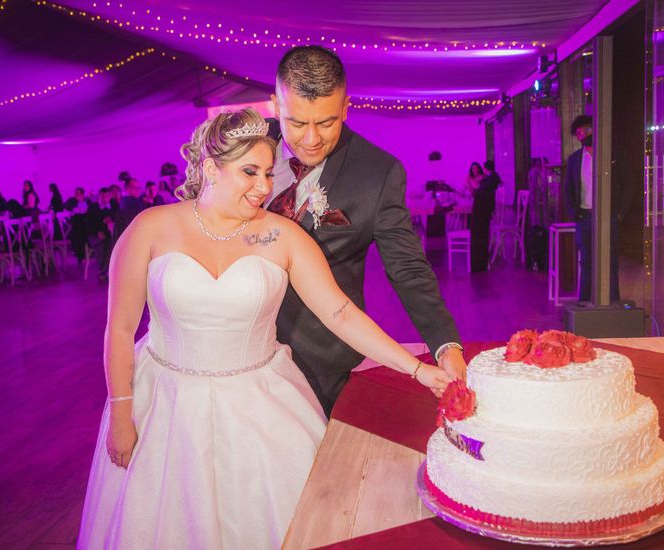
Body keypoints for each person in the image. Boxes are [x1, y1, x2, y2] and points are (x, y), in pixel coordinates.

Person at [77, 108, 451, 549]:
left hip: (261, 404)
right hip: (164, 403)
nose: (264, 187)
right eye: (249, 172)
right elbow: (119, 329)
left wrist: (418, 370)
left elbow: (340, 314)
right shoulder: (150, 228)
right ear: (210, 168)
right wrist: (122, 410)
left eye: (268, 173)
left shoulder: (283, 236)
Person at [264, 46, 466, 415]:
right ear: (275, 106)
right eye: (296, 122)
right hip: (237, 349)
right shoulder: (240, 148)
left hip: (320, 356)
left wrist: (445, 345)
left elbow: (408, 268)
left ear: (345, 107)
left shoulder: (377, 172)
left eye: (326, 122)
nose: (311, 139)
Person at [564, 115, 621, 302]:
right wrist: (575, 214)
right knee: (586, 262)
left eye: (586, 130)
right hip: (585, 216)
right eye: (579, 133)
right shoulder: (574, 160)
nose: (583, 135)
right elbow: (569, 189)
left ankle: (613, 303)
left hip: (608, 216)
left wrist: (619, 213)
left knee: (610, 262)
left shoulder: (611, 155)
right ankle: (584, 304)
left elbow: (627, 182)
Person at [467, 160, 501, 272]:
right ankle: (480, 261)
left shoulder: (490, 179)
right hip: (484, 209)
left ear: (485, 169)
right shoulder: (490, 179)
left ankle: (480, 262)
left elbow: (481, 192)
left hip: (484, 211)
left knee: (479, 232)